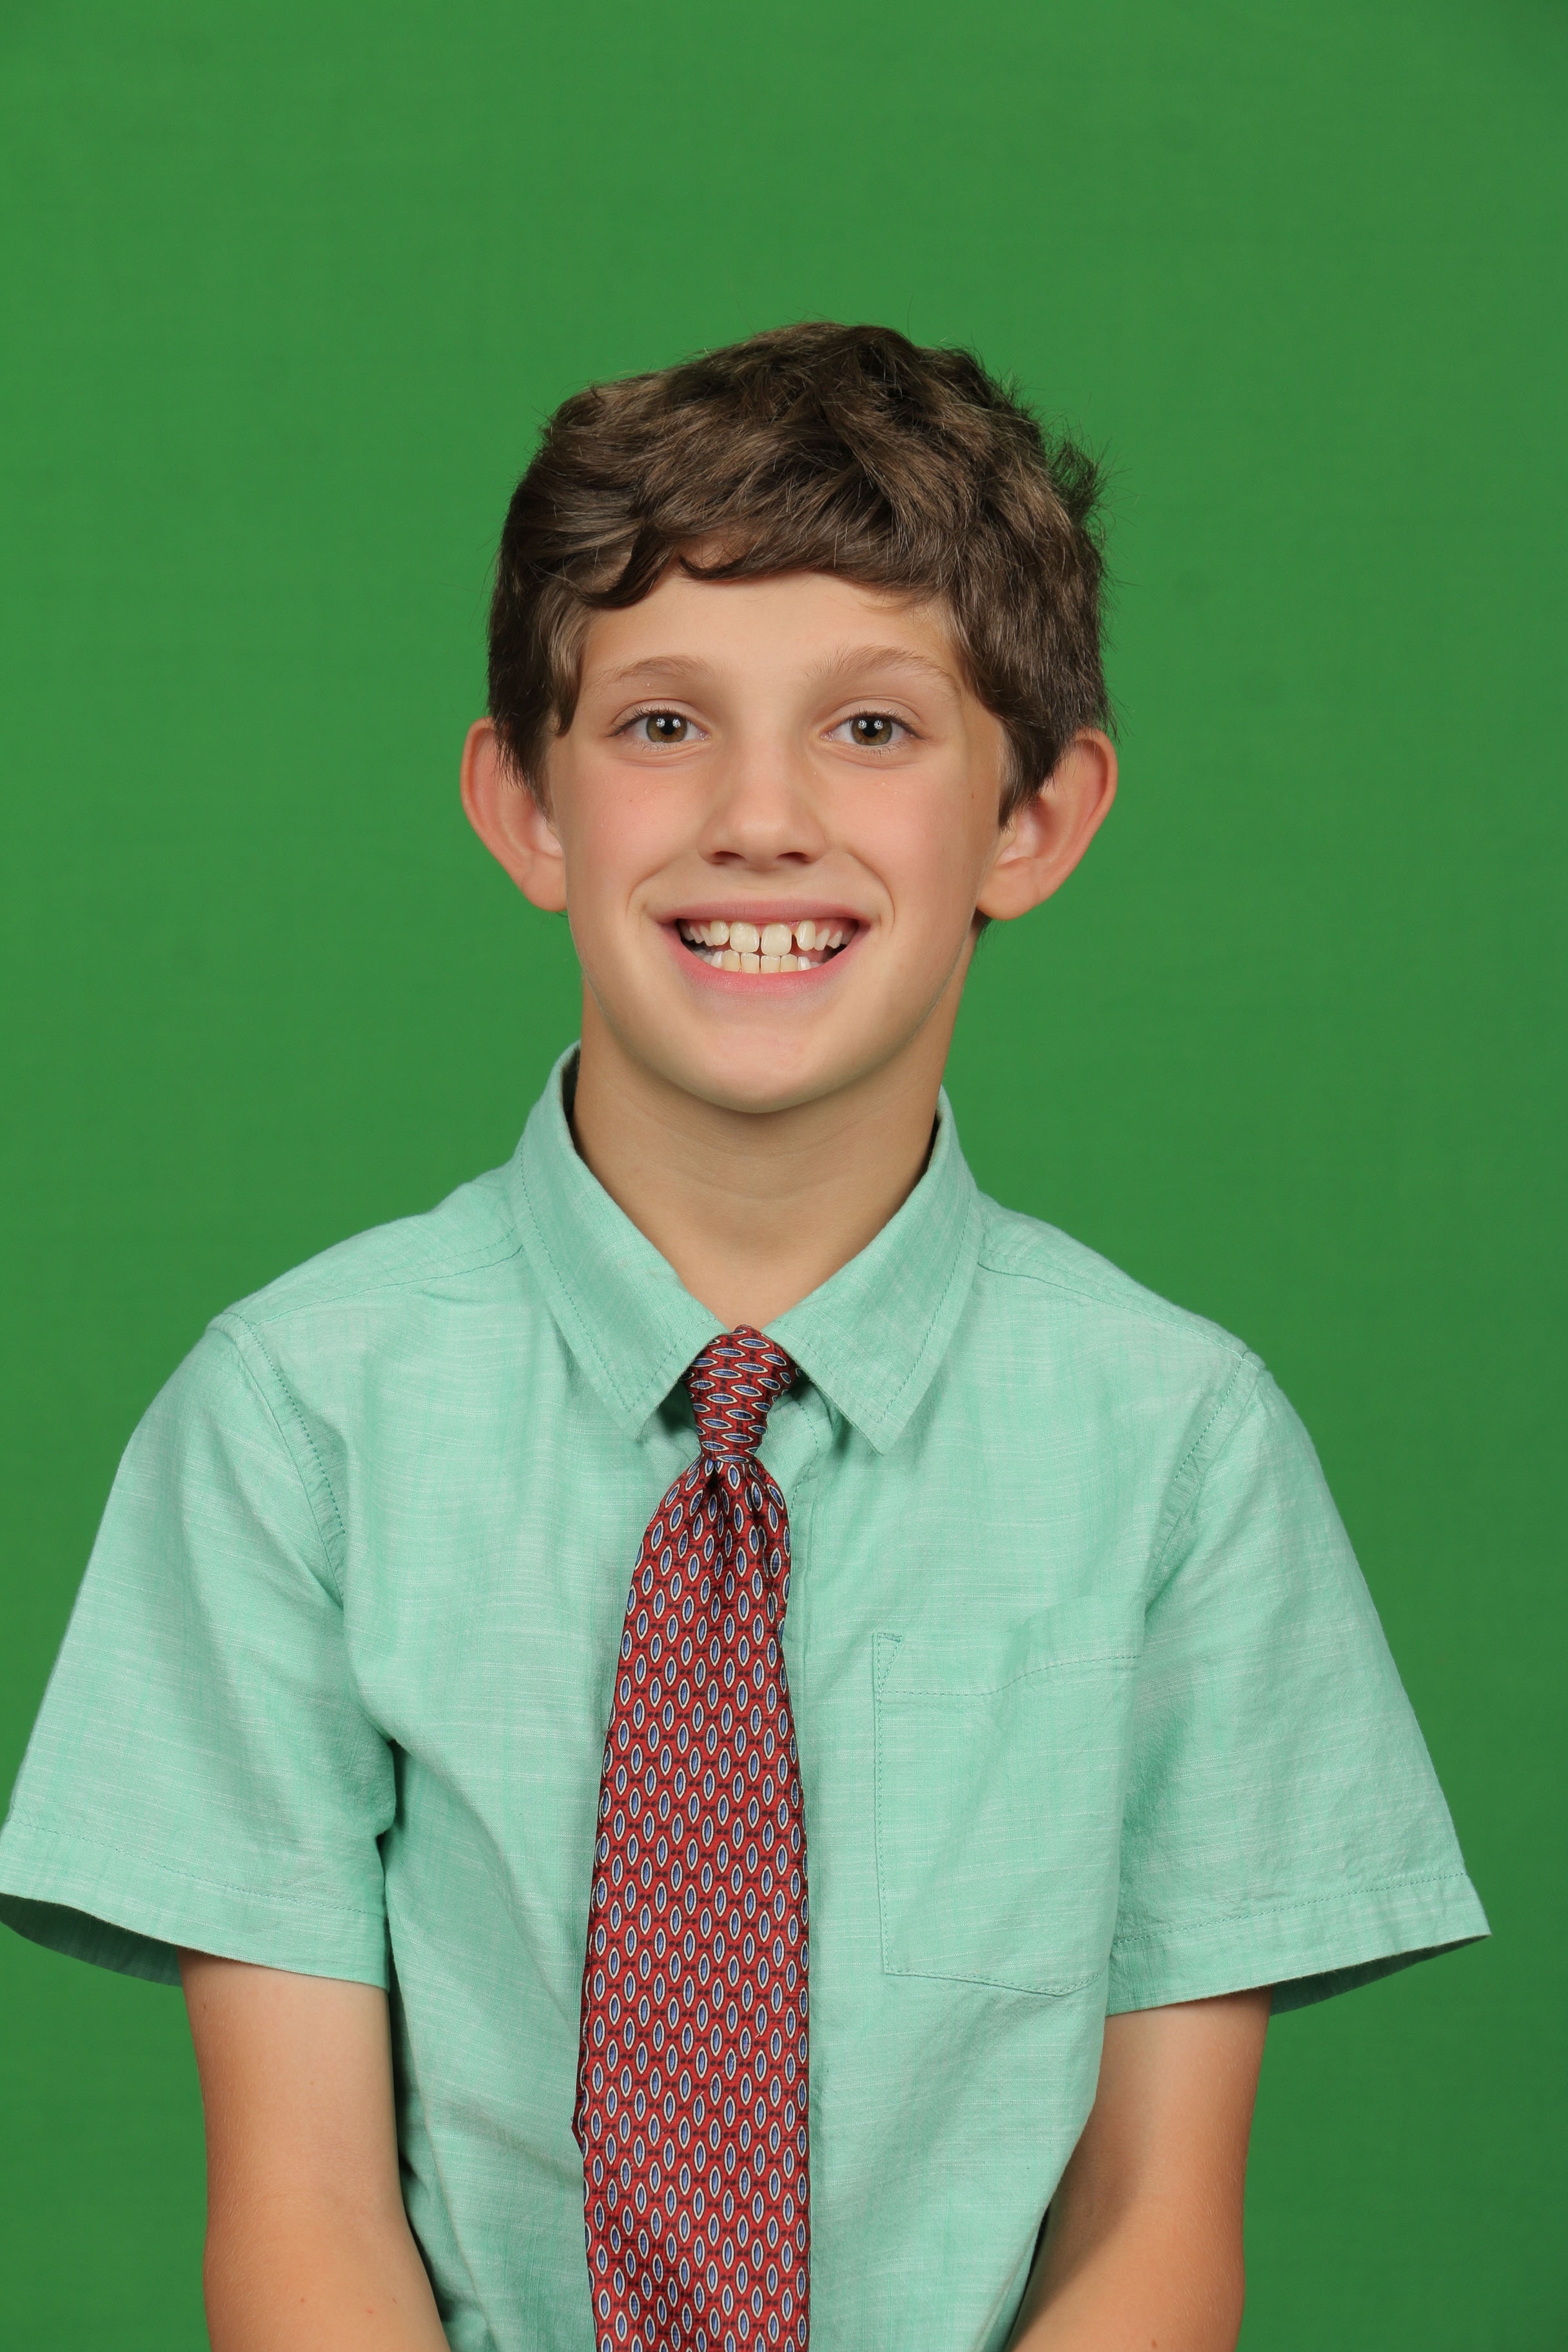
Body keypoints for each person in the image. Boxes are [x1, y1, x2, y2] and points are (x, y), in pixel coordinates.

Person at [0, 323, 1486, 2352]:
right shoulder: (294, 1420)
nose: (761, 818)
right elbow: (303, 2212)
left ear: (1035, 818)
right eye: (662, 724)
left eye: (872, 727)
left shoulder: (1181, 1446)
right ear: (527, 806)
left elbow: (1152, 2224)